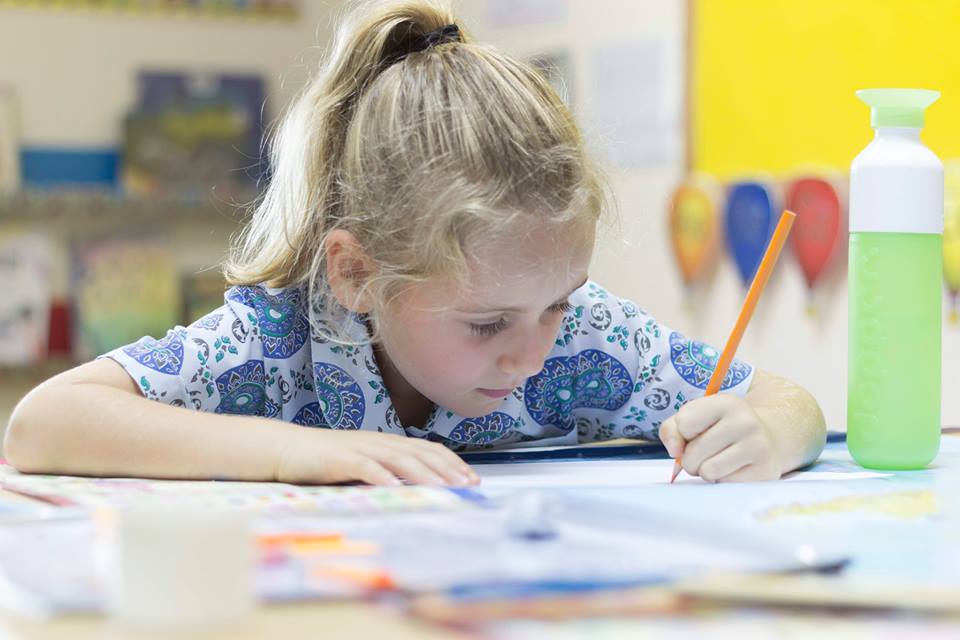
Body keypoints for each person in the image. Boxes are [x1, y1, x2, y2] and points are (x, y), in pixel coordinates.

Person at [4, 0, 825, 487]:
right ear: (357, 273)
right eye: (486, 323)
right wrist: (295, 453)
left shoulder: (580, 338)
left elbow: (790, 402)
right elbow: (44, 423)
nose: (532, 354)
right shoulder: (282, 339)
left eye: (556, 303)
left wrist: (767, 435)